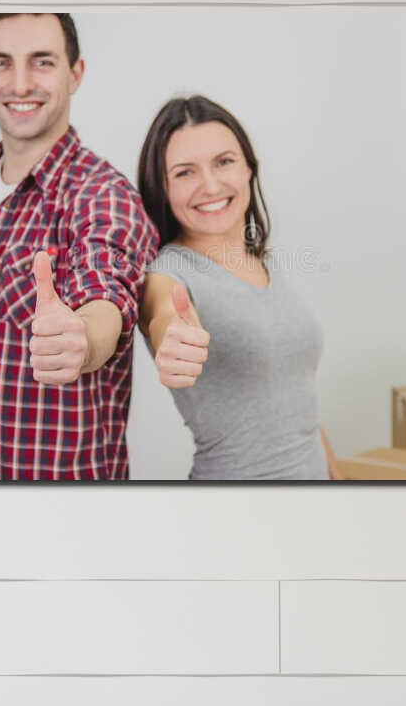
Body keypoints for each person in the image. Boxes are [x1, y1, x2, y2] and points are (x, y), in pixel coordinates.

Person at [0, 13, 158, 480]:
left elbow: (108, 292)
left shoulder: (104, 197)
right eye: (0, 62)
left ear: (75, 73)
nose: (20, 84)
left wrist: (83, 340)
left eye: (42, 62)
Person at [135, 96, 339, 481]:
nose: (210, 185)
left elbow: (298, 408)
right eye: (185, 172)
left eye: (224, 162)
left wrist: (337, 482)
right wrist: (171, 338)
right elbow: (163, 314)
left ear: (249, 168)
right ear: (162, 188)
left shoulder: (265, 263)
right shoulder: (167, 273)